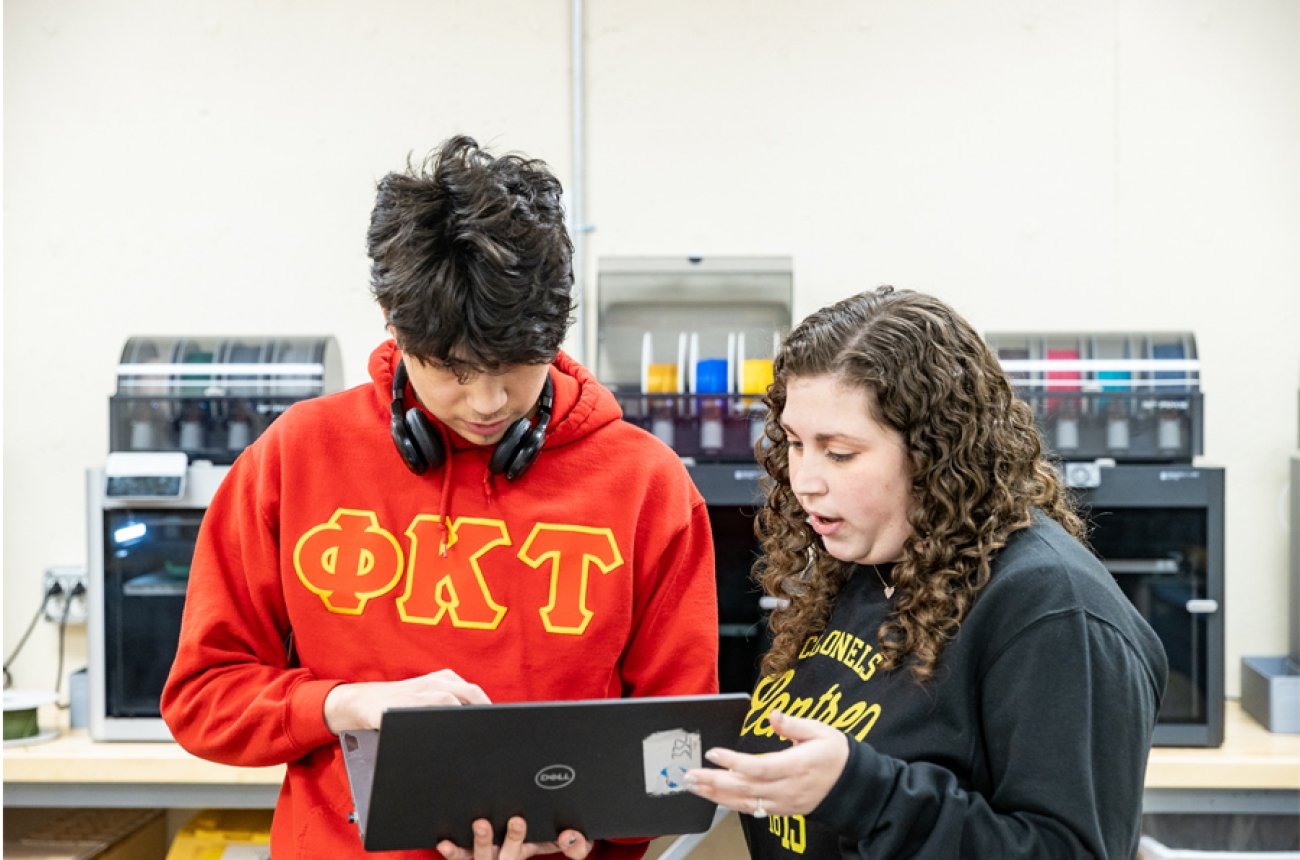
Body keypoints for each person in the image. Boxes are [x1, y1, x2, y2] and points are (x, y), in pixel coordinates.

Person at [162, 136, 721, 860]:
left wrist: (586, 827)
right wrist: (340, 705)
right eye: (452, 370)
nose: (488, 403)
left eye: (518, 365)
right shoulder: (295, 457)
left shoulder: (649, 486)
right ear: (394, 325)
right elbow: (203, 696)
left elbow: (676, 751)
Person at [684, 286, 1168, 858]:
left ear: (934, 450)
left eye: (839, 453)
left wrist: (866, 793)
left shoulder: (1054, 611)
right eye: (794, 443)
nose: (805, 479)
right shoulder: (871, 560)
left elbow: (1070, 849)